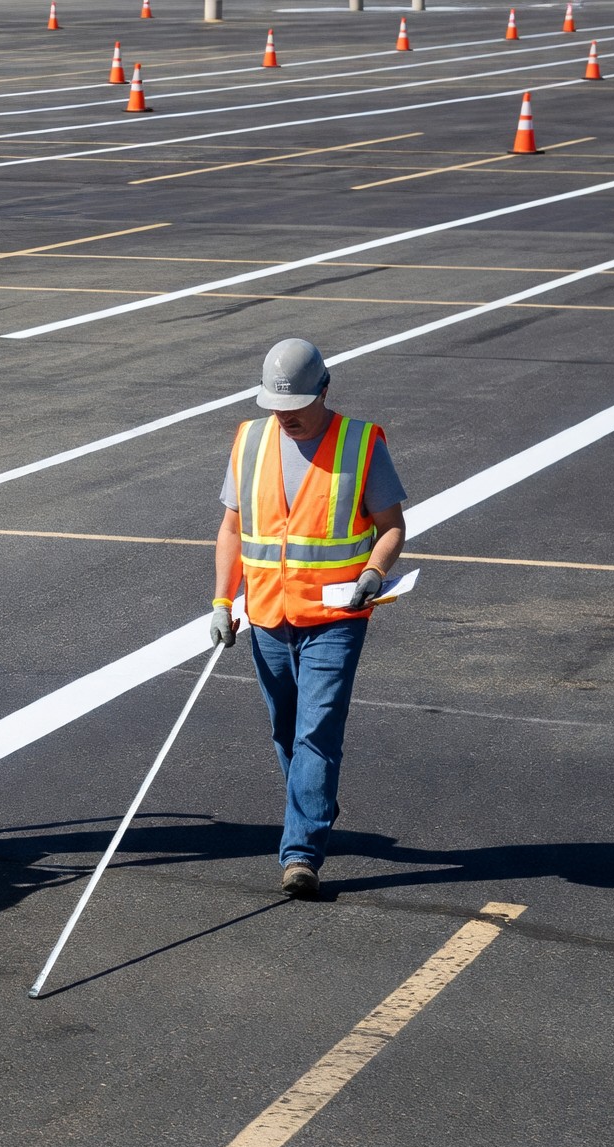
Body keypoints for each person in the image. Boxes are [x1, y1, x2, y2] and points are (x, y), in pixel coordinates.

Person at [209, 338, 407, 901]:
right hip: (268, 614)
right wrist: (223, 603)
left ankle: (300, 854)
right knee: (286, 729)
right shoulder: (249, 441)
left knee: (316, 731)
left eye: (294, 404)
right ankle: (316, 803)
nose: (284, 416)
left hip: (337, 614)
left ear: (325, 389)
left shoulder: (361, 443)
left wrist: (374, 571)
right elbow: (231, 529)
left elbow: (391, 526)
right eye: (275, 404)